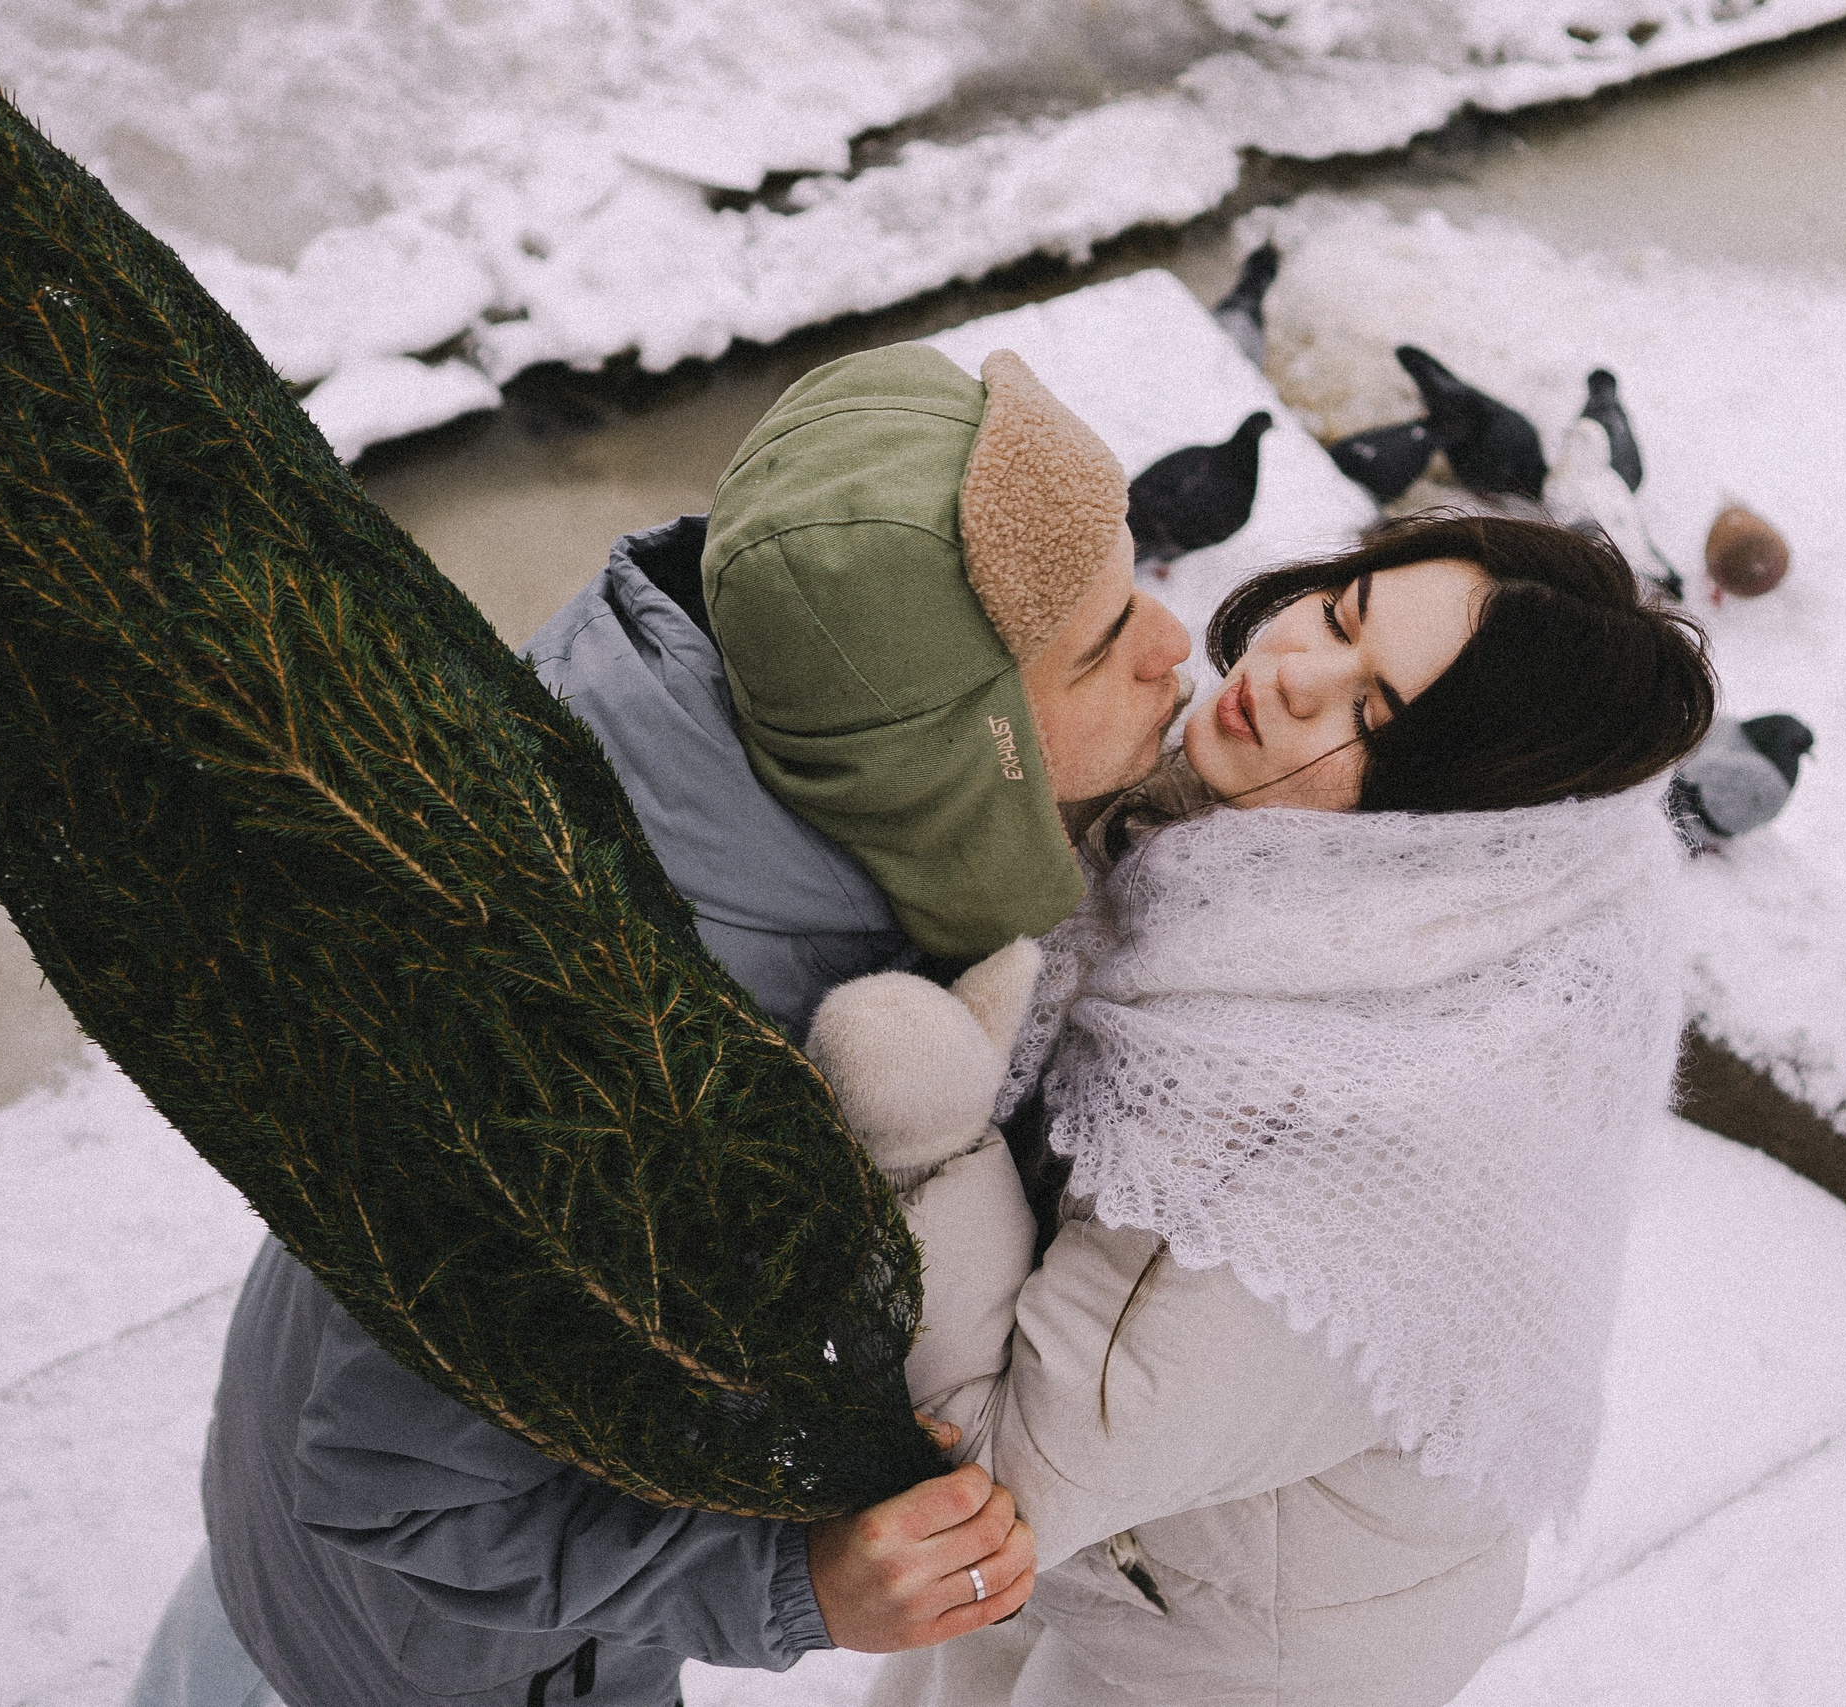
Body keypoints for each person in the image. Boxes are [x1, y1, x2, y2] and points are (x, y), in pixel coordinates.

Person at [129, 342, 1192, 1707]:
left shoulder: (693, 767)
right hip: (390, 1660)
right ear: (947, 757)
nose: (1175, 643)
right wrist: (788, 1583)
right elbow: (398, 1497)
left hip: (289, 1537)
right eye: (1103, 643)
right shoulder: (610, 1069)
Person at [803, 510, 1717, 1707]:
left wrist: (927, 1137)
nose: (1289, 673)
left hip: (1242, 1650)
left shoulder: (1293, 1153)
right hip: (1170, 1528)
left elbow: (999, 1483)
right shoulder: (1422, 882)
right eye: (1338, 614)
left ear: (1449, 818)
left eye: (1370, 713)